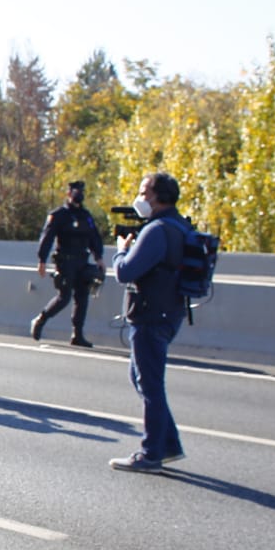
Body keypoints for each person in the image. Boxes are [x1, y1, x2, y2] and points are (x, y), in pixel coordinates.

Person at [109, 171, 190, 472]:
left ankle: (150, 453)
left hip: (151, 315)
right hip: (169, 311)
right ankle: (168, 444)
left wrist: (120, 251)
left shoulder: (157, 230)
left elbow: (126, 272)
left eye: (144, 192)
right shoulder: (179, 225)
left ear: (157, 197)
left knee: (150, 384)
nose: (140, 198)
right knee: (142, 378)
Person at [32, 179, 105, 348]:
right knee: (64, 297)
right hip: (65, 262)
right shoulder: (59, 215)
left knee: (82, 297)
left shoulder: (86, 216)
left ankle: (77, 334)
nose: (78, 195)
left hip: (82, 261)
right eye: (75, 192)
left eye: (81, 192)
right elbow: (47, 237)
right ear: (68, 194)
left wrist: (99, 258)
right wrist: (41, 260)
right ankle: (41, 319)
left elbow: (94, 237)